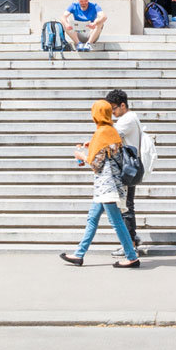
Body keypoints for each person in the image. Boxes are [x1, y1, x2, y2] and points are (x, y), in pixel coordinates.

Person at [59, 100, 140, 268]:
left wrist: (81, 156)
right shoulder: (111, 131)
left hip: (107, 187)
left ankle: (131, 256)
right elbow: (111, 158)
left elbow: (96, 163)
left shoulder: (102, 132)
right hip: (108, 186)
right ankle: (79, 254)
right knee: (92, 219)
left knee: (116, 221)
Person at [105, 88, 148, 254]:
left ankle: (130, 244)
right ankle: (132, 239)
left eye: (114, 109)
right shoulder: (131, 117)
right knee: (127, 204)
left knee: (125, 206)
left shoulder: (127, 119)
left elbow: (109, 136)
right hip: (131, 167)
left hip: (127, 168)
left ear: (123, 105)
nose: (112, 113)